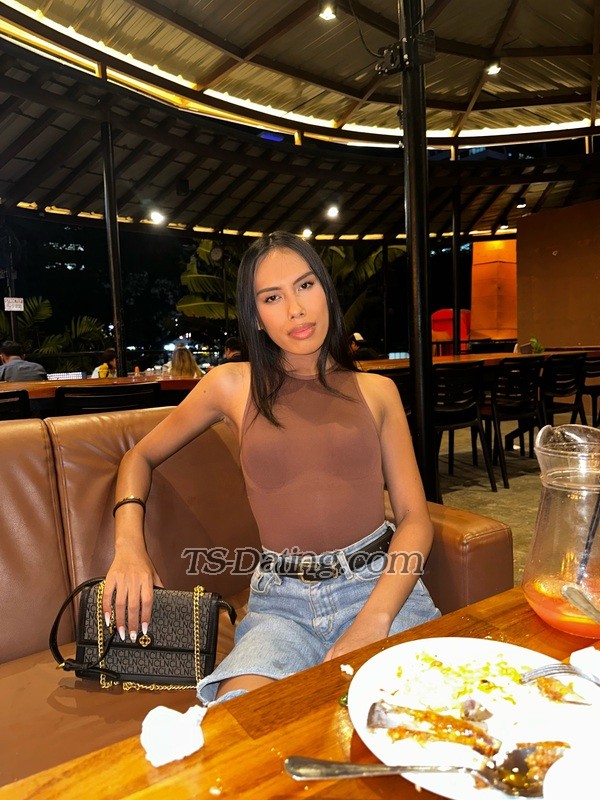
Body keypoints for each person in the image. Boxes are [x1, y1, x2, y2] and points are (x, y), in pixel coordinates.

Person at [104, 231, 439, 706]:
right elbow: (138, 456)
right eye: (272, 297)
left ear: (326, 291)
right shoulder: (232, 384)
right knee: (243, 727)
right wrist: (128, 549)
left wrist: (374, 620)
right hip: (281, 604)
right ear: (256, 316)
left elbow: (414, 518)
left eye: (305, 286)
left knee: (415, 717)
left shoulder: (377, 391)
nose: (295, 310)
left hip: (378, 584)